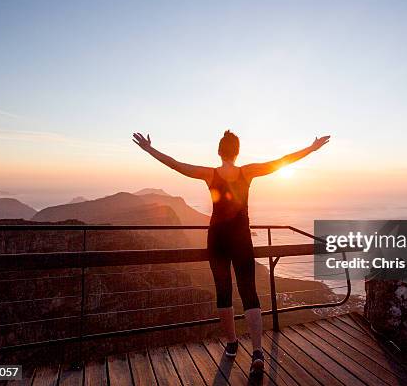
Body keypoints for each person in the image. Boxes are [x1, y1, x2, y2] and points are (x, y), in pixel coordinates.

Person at [133, 130, 330, 376]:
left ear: (219, 152)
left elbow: (177, 166)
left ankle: (232, 344)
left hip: (217, 239)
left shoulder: (209, 174)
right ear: (237, 152)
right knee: (249, 291)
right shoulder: (247, 172)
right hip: (241, 238)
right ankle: (257, 351)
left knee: (223, 292)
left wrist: (150, 150)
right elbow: (281, 162)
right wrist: (311, 149)